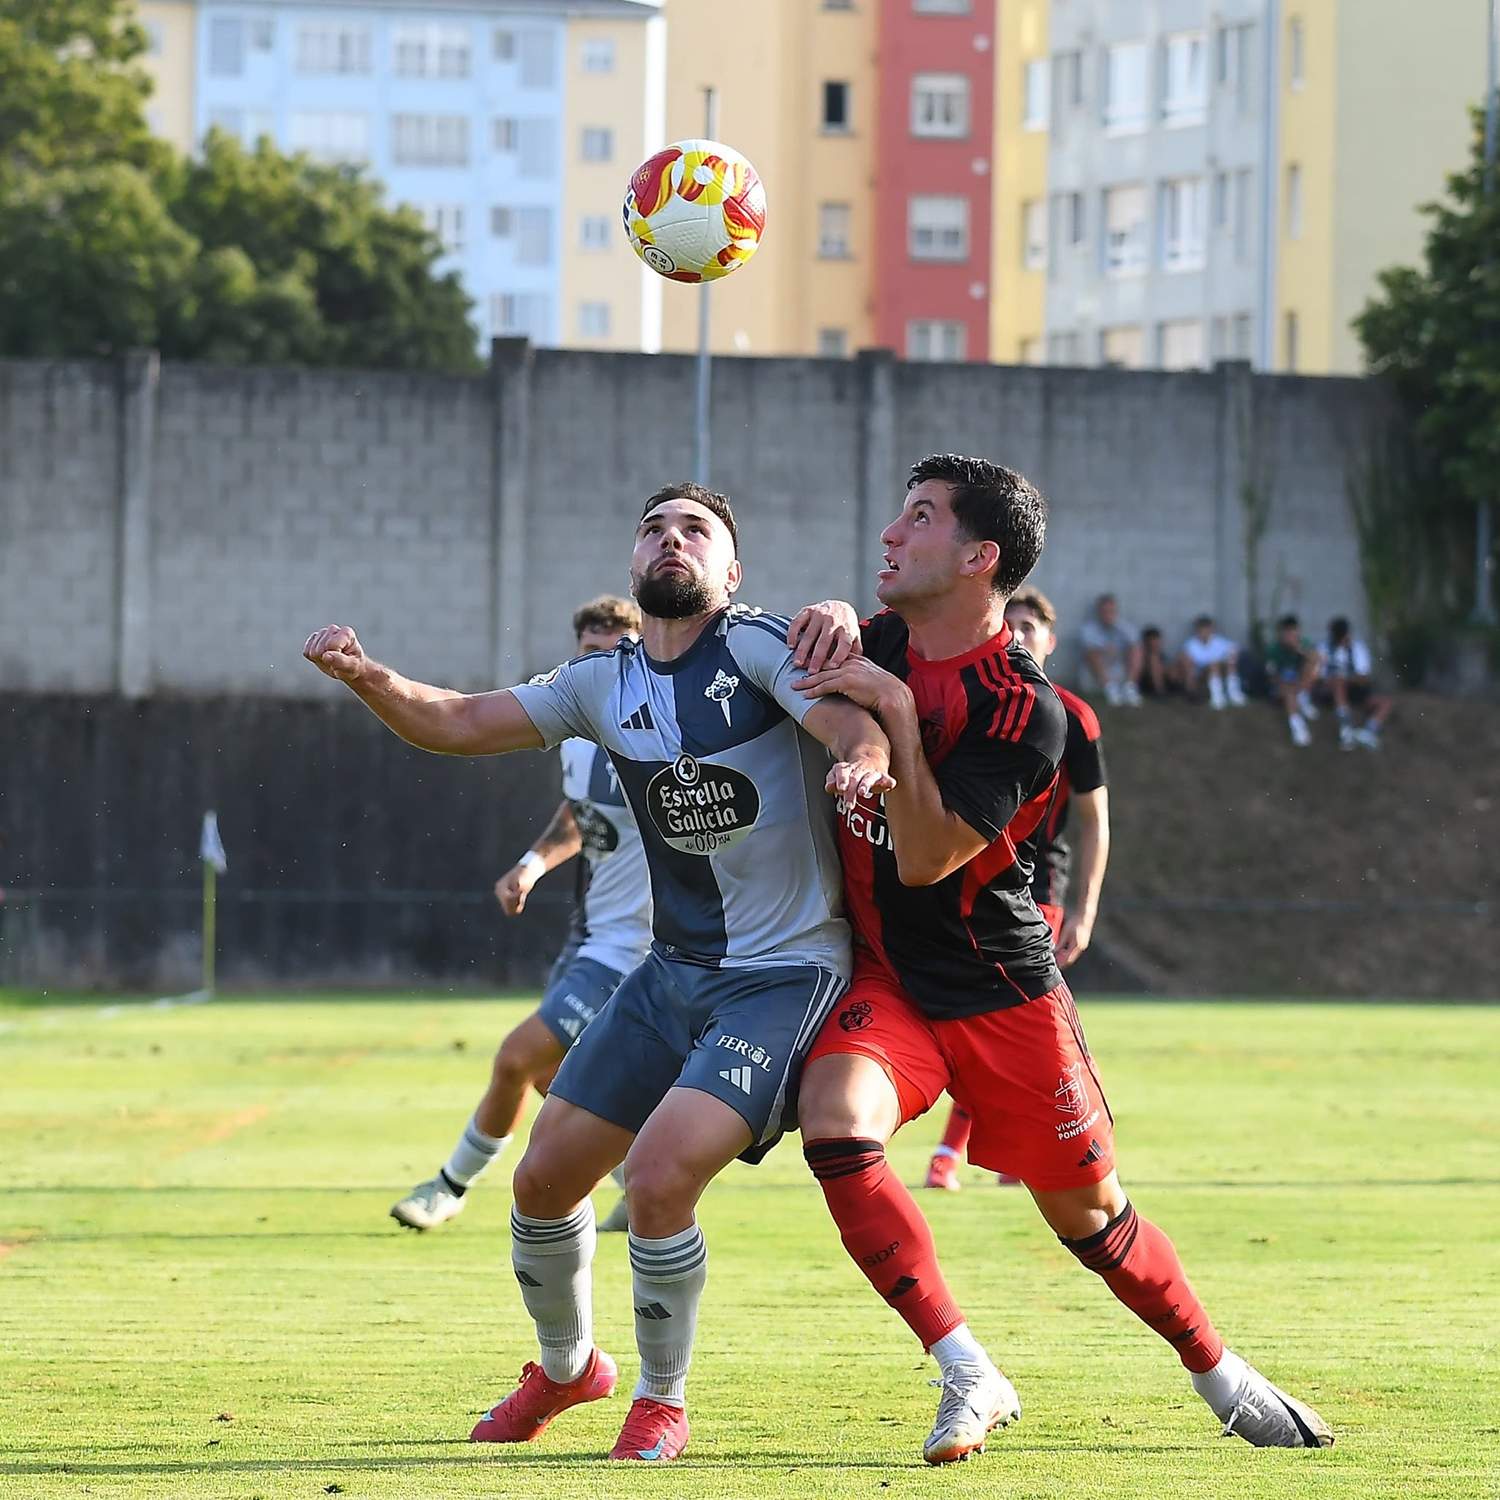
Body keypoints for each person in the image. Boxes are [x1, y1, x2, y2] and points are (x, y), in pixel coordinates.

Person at [303, 481, 892, 1464]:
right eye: (654, 527)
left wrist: (863, 761)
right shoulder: (600, 684)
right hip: (673, 970)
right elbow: (454, 721)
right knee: (540, 1180)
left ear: (730, 571)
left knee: (658, 1180)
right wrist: (368, 677)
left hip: (783, 973)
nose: (672, 539)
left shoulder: (755, 649)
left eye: (696, 530)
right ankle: (570, 1369)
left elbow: (852, 724)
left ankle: (664, 1400)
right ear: (632, 563)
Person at [792, 454, 1333, 1465]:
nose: (889, 535)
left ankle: (1222, 1373)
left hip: (1002, 993)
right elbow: (792, 668)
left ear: (978, 556)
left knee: (1091, 1219)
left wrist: (896, 717)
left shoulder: (1025, 707)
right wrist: (831, 636)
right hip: (889, 982)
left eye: (918, 518)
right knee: (836, 1122)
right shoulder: (872, 641)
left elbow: (924, 857)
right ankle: (968, 1372)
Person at [389, 595, 650, 1234]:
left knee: (516, 1059)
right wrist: (534, 863)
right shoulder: (578, 739)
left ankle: (448, 1187)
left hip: (635, 947)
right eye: (586, 652)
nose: (597, 665)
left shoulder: (657, 735)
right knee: (551, 1075)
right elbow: (580, 819)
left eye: (613, 652)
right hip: (591, 931)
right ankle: (641, 1182)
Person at [924, 583, 1110, 1193]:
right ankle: (1011, 1152)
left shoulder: (1071, 717)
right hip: (962, 887)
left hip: (1038, 893)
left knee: (1000, 1020)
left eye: (1034, 628)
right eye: (1015, 624)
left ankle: (958, 1155)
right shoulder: (978, 703)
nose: (1023, 634)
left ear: (1051, 641)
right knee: (985, 1029)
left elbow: (1093, 820)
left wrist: (1083, 911)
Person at [1321, 616, 1392, 750]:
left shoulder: (1357, 649)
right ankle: (1345, 727)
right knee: (1338, 683)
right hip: (1331, 691)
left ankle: (1368, 731)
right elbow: (1321, 676)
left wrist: (1346, 678)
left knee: (1384, 703)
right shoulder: (1324, 648)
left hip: (1355, 690)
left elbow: (1363, 676)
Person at [1264, 614, 1323, 747]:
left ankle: (1303, 699)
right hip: (1281, 688)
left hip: (1300, 685)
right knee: (1288, 688)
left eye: (1293, 632)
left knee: (1311, 666)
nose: (1291, 636)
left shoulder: (1304, 643)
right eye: (1287, 633)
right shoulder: (1273, 650)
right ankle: (1297, 725)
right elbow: (1271, 675)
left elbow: (1317, 660)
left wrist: (1300, 650)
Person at [1079, 594, 1143, 707]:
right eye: (1104, 611)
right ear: (1099, 612)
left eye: (1111, 611)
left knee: (1136, 650)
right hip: (1096, 675)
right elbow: (1090, 651)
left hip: (1117, 668)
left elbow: (1134, 642)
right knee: (1092, 653)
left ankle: (1130, 687)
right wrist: (1108, 650)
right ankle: (1110, 689)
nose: (1108, 615)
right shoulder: (1089, 629)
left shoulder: (1123, 627)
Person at [1177, 615, 1247, 709]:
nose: (1205, 632)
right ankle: (1217, 697)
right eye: (1202, 629)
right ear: (1197, 630)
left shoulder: (1218, 640)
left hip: (1220, 669)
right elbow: (1185, 660)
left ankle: (1234, 693)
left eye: (1207, 629)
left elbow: (1235, 648)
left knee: (1230, 663)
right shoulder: (1191, 644)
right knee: (1214, 665)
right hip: (1202, 674)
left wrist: (1231, 656)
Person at [1136, 625, 1175, 698]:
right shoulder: (1143, 654)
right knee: (1154, 660)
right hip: (1146, 683)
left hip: (1163, 679)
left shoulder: (1162, 654)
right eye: (1152, 641)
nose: (1155, 643)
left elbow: (1167, 668)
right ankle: (1160, 691)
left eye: (1157, 640)